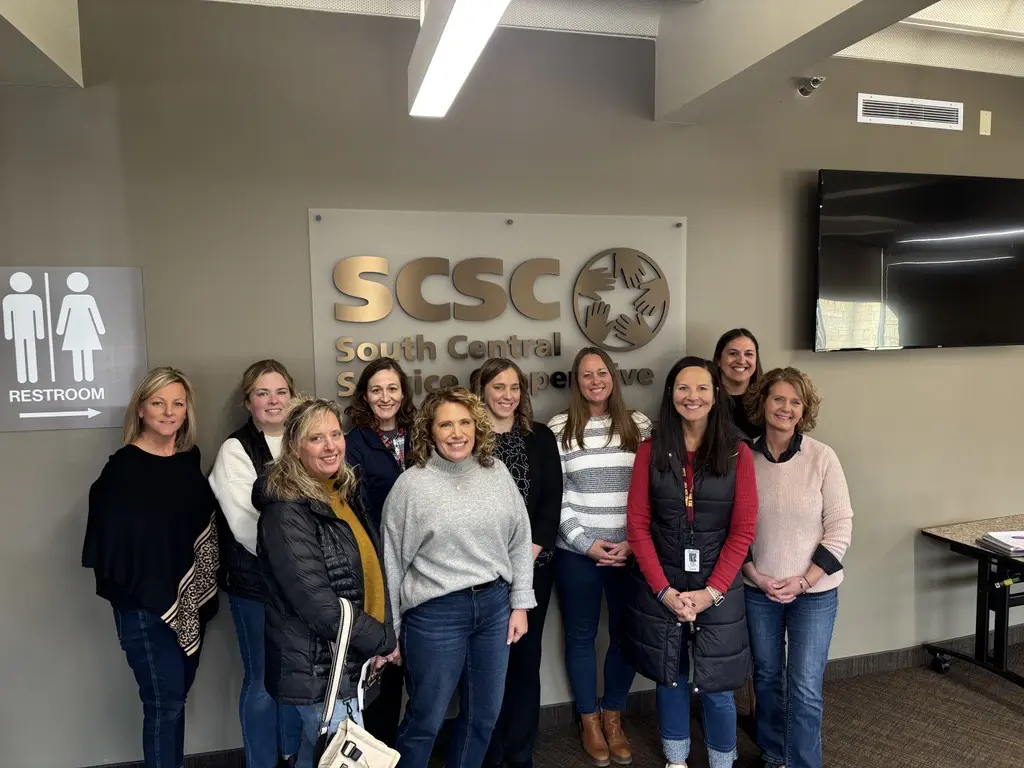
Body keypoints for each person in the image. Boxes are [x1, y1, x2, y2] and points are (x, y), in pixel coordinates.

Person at [382, 387, 536, 768]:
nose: (456, 432)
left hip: (495, 608)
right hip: (436, 614)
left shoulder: (496, 473)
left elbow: (520, 540)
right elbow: (392, 563)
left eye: (464, 422)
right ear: (430, 431)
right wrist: (393, 630)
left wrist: (520, 603)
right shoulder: (412, 485)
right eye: (445, 424)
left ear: (477, 427)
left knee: (483, 717)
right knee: (426, 720)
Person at [622, 357, 758, 768]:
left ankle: (722, 760)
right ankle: (676, 758)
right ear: (670, 394)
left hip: (719, 585)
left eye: (702, 388)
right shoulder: (651, 449)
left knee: (718, 683)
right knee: (671, 674)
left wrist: (711, 593)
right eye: (683, 388)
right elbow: (638, 526)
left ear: (716, 396)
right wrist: (664, 591)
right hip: (663, 581)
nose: (692, 397)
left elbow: (743, 531)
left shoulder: (738, 452)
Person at [82, 367, 220, 768]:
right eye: (158, 403)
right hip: (142, 608)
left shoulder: (187, 461)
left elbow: (202, 532)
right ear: (141, 409)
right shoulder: (121, 469)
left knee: (174, 699)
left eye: (178, 403)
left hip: (186, 602)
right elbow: (109, 549)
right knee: (165, 704)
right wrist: (143, 596)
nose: (169, 412)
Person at [254, 397, 397, 768]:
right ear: (295, 447)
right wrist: (383, 639)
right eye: (317, 438)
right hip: (320, 666)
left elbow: (370, 570)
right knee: (340, 756)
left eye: (335, 434)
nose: (331, 445)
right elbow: (319, 606)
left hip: (348, 656)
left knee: (322, 755)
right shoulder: (286, 509)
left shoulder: (341, 491)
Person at [741, 368, 853, 768]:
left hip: (815, 594)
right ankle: (775, 756)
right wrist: (755, 575)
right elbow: (734, 529)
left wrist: (805, 580)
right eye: (778, 399)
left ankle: (803, 763)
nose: (785, 408)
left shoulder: (822, 457)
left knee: (804, 687)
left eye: (795, 402)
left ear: (803, 410)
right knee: (768, 679)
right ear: (762, 404)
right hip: (760, 590)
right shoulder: (745, 459)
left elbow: (840, 527)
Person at [547, 346, 652, 767]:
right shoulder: (559, 427)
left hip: (630, 551)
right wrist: (585, 543)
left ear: (613, 377)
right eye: (586, 375)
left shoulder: (639, 425)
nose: (595, 381)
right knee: (581, 636)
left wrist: (631, 541)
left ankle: (613, 718)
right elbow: (555, 497)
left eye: (601, 372)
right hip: (578, 553)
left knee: (626, 636)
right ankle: (588, 720)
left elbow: (648, 490)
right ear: (577, 381)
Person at [209, 359, 301, 768]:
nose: (273, 401)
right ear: (248, 402)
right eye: (262, 393)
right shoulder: (235, 450)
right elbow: (247, 525)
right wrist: (301, 566)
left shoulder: (307, 438)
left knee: (296, 681)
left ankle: (290, 755)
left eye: (280, 391)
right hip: (257, 587)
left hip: (304, 587)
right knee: (263, 681)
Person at [472, 358, 562, 768]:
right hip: (482, 574)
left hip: (533, 570)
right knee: (487, 667)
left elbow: (550, 505)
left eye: (514, 387)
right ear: (482, 391)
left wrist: (526, 557)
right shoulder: (467, 439)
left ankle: (520, 754)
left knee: (525, 663)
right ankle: (489, 754)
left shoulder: (540, 437)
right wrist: (499, 563)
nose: (507, 395)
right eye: (498, 387)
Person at [343, 358, 417, 746]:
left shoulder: (422, 433)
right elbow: (354, 507)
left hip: (424, 563)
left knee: (420, 660)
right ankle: (380, 747)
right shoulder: (353, 442)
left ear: (403, 392)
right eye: (376, 390)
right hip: (379, 564)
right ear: (365, 396)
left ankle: (409, 747)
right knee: (385, 659)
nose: (385, 397)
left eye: (392, 388)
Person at [713, 328, 763, 440]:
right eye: (733, 353)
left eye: (748, 354)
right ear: (719, 360)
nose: (741, 360)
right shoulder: (706, 400)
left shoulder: (767, 400)